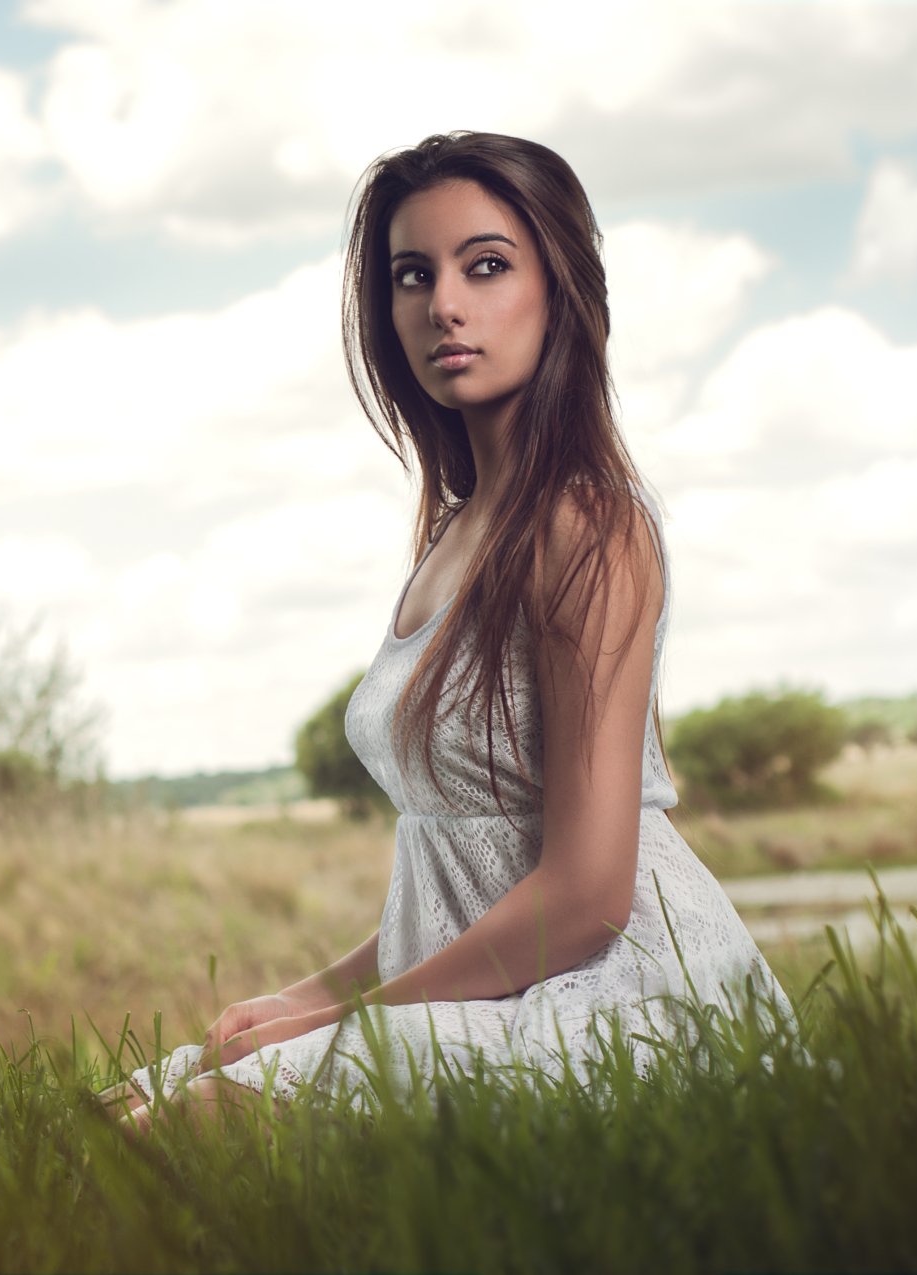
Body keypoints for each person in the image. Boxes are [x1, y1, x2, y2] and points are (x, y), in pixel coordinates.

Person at [98, 132, 798, 1135]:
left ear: (561, 290)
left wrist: (345, 1018)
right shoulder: (455, 534)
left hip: (614, 998)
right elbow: (456, 871)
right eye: (412, 275)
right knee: (135, 1100)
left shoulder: (586, 525)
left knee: (195, 1121)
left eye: (487, 266)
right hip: (483, 992)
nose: (445, 306)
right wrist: (308, 993)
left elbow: (588, 895)